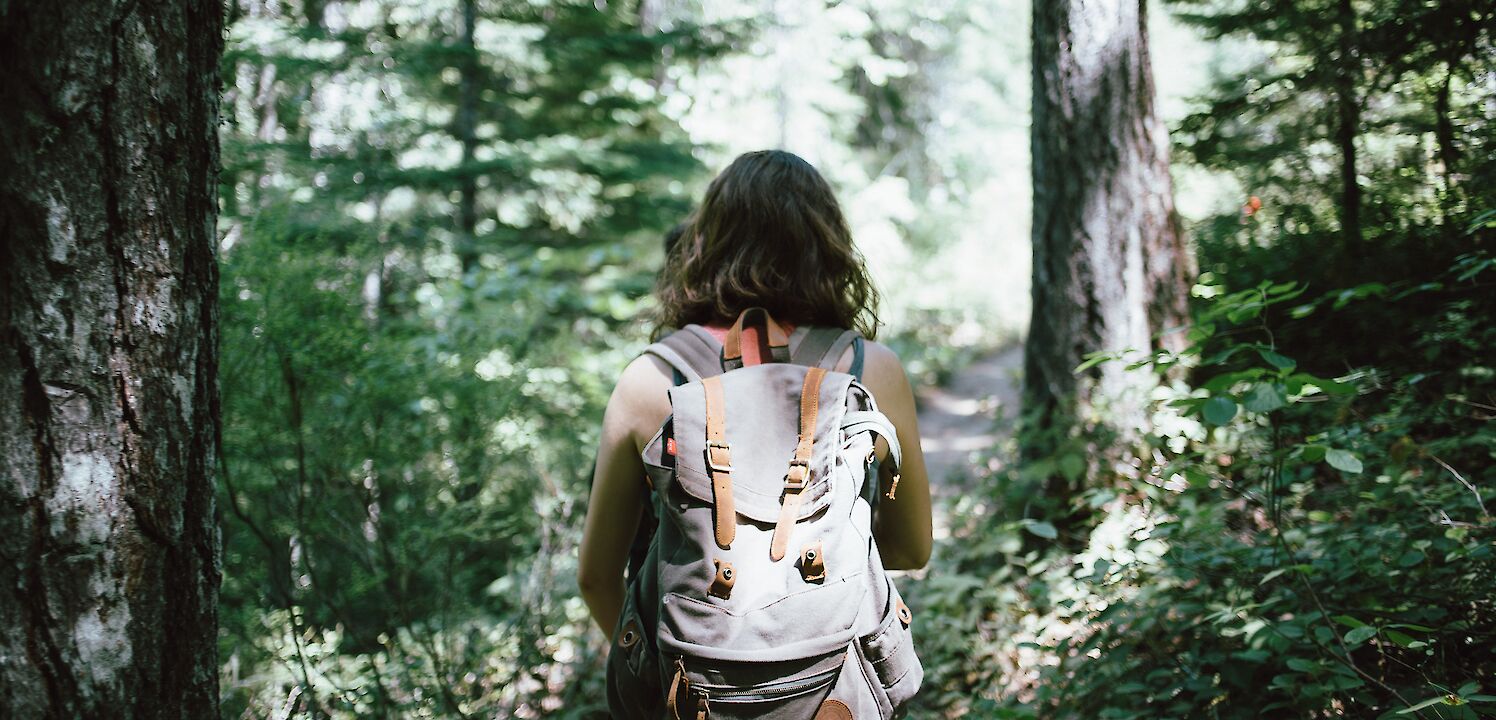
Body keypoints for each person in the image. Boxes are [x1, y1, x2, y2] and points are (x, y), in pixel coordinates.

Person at [578, 149, 932, 641]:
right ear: (826, 246)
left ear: (708, 242)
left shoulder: (651, 379)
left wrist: (644, 666)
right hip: (832, 687)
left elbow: (596, 576)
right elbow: (912, 550)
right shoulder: (872, 369)